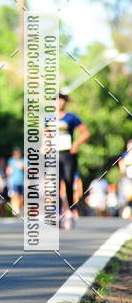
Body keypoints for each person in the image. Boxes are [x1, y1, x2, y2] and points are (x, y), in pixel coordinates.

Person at [58, 92, 90, 229]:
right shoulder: (48, 119)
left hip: (67, 155)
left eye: (60, 100)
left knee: (68, 181)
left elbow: (86, 133)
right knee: (54, 184)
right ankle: (58, 212)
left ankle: (70, 210)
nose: (58, 103)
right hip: (53, 154)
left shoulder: (71, 118)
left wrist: (76, 144)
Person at [6, 147, 25, 216]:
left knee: (21, 197)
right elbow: (8, 170)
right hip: (13, 182)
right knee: (14, 195)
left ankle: (19, 209)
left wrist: (24, 167)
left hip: (22, 182)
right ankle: (15, 210)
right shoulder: (11, 161)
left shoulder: (24, 160)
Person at [118, 139, 132, 218]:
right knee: (128, 195)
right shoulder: (125, 155)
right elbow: (121, 164)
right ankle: (127, 207)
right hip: (128, 177)